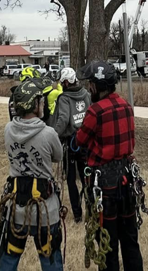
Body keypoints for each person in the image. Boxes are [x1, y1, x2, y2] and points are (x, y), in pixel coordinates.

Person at [75, 60, 144, 271]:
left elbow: (80, 141)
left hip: (104, 186)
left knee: (107, 244)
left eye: (90, 85)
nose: (89, 88)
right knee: (130, 240)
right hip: (126, 181)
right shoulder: (127, 107)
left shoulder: (95, 112)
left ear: (96, 86)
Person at [0, 79, 64, 271]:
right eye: (40, 101)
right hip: (45, 210)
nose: (43, 104)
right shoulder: (48, 134)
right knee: (51, 259)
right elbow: (58, 156)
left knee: (9, 257)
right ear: (34, 104)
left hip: (17, 209)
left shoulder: (8, 130)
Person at [51, 66, 91, 223]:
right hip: (86, 141)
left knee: (71, 179)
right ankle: (91, 208)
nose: (62, 86)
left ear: (67, 82)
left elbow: (63, 120)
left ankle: (78, 214)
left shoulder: (64, 98)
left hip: (71, 143)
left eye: (62, 83)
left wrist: (53, 135)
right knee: (86, 176)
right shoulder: (86, 94)